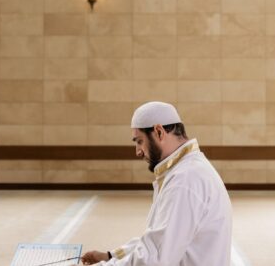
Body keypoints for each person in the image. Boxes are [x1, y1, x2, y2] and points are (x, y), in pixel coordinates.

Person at [81, 101, 232, 266]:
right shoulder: (187, 170)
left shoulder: (184, 180)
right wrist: (110, 256)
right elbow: (158, 240)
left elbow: (154, 260)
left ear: (159, 132)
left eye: (139, 141)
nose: (138, 152)